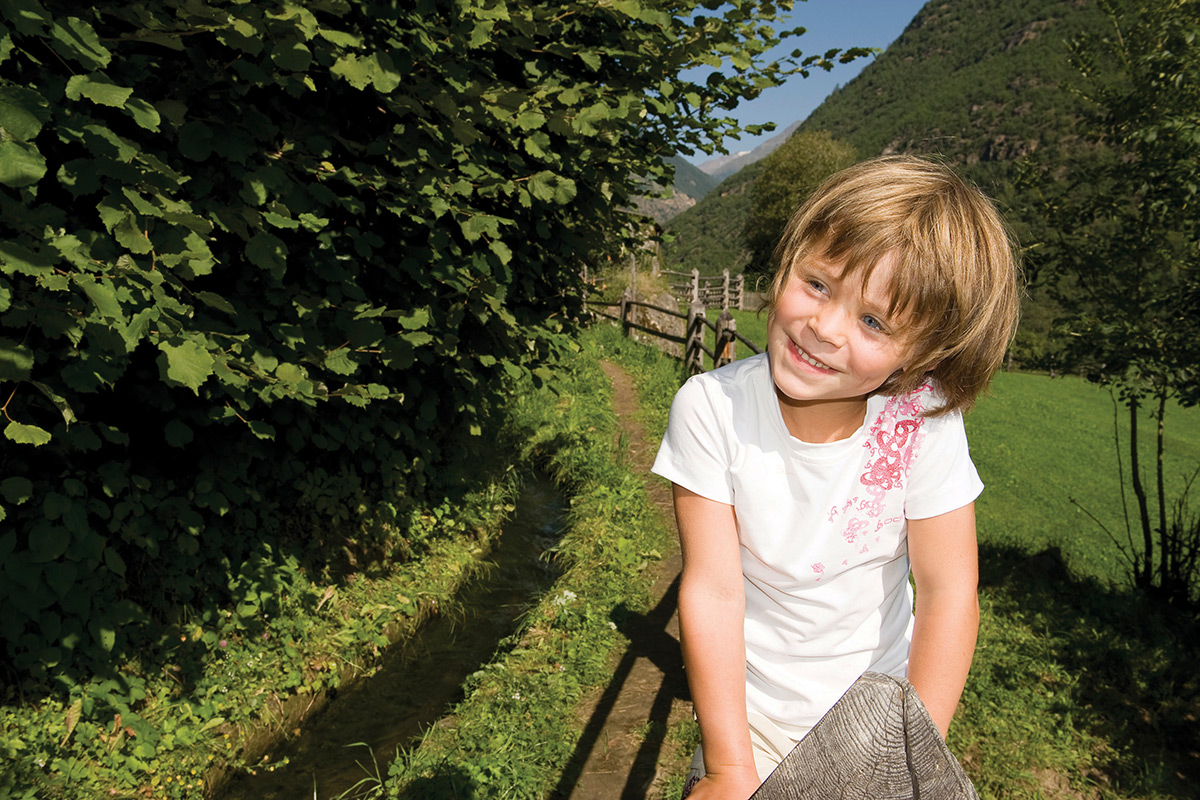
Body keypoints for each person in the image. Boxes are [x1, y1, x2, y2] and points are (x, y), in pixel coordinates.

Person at [651, 155, 1021, 800]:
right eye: (818, 284)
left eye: (874, 321)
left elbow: (947, 596)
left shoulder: (922, 426)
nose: (824, 328)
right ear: (788, 261)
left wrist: (906, 755)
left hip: (878, 727)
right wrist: (729, 769)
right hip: (751, 726)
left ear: (926, 352)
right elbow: (712, 592)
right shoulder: (710, 409)